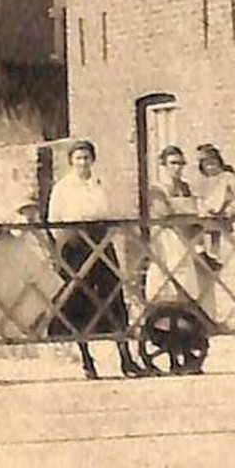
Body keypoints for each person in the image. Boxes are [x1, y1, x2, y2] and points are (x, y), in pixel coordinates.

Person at [46, 139, 147, 379]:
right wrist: (67, 244)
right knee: (79, 298)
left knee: (113, 295)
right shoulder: (63, 188)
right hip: (76, 246)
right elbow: (54, 221)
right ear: (71, 161)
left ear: (93, 160)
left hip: (102, 242)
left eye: (86, 158)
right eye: (78, 158)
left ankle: (125, 357)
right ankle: (87, 359)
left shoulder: (100, 184)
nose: (82, 162)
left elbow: (111, 211)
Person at [145, 144, 210, 322]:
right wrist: (187, 214)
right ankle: (158, 323)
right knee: (163, 278)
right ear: (163, 166)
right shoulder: (157, 189)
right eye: (173, 163)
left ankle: (185, 324)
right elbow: (164, 213)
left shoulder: (185, 187)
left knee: (186, 279)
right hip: (166, 239)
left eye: (181, 163)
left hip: (185, 239)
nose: (178, 168)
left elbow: (195, 211)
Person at [194, 144, 235, 270]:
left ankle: (215, 256)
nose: (210, 168)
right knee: (198, 227)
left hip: (221, 211)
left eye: (212, 164)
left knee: (216, 234)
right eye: (206, 165)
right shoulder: (204, 180)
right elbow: (200, 197)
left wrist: (223, 208)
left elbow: (231, 195)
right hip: (208, 212)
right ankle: (203, 252)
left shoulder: (226, 177)